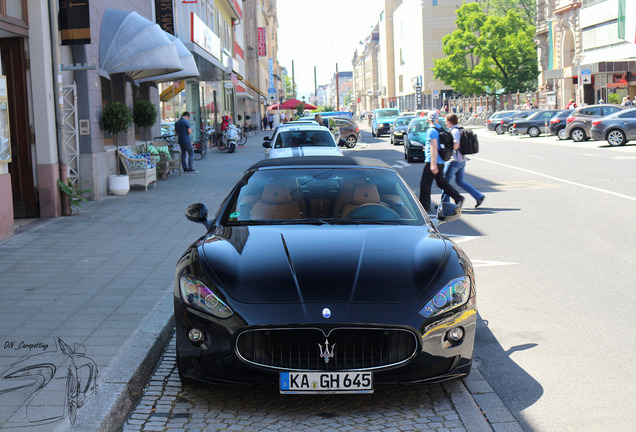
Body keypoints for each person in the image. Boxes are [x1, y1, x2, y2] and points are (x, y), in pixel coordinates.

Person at [418, 110, 464, 214]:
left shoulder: (431, 130)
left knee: (425, 185)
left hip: (432, 161)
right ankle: (458, 197)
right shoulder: (440, 128)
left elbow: (434, 147)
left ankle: (424, 208)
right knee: (441, 182)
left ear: (428, 119)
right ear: (437, 118)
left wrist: (433, 164)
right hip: (441, 160)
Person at [441, 114, 485, 208]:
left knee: (444, 182)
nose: (445, 123)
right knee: (460, 181)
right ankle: (478, 196)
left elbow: (456, 145)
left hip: (455, 160)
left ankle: (445, 204)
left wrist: (447, 148)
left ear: (450, 121)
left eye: (446, 121)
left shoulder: (455, 131)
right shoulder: (459, 129)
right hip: (462, 160)